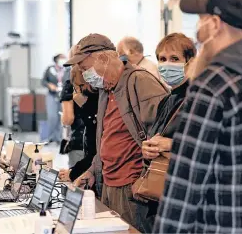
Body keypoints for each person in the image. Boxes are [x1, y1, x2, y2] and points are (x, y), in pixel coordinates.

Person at [154, 0, 242, 233]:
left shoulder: (213, 85)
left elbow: (185, 182)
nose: (198, 29)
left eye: (202, 19)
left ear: (215, 24)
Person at [65, 34, 168, 233]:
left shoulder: (139, 80)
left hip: (132, 189)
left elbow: (164, 131)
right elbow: (106, 139)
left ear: (103, 58)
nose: (85, 74)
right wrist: (93, 171)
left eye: (86, 68)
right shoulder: (106, 89)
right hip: (109, 184)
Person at [136, 33, 196, 231]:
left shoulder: (198, 97)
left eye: (174, 59)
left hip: (186, 195)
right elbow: (157, 135)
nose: (167, 64)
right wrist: (148, 149)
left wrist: (170, 145)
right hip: (163, 193)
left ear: (190, 62)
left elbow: (210, 145)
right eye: (162, 59)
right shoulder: (167, 99)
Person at [59, 64, 99, 184]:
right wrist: (73, 171)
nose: (76, 95)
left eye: (80, 87)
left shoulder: (97, 112)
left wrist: (73, 173)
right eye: (75, 89)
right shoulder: (89, 114)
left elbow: (95, 153)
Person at [59, 46, 85, 168]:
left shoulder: (70, 85)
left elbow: (68, 118)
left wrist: (62, 118)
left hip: (79, 141)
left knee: (77, 183)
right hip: (100, 143)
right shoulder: (99, 83)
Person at [42, 54, 67, 144]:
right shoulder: (50, 69)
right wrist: (49, 85)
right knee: (52, 117)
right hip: (52, 95)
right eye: (61, 58)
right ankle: (50, 137)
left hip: (63, 96)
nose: (63, 60)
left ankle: (59, 138)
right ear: (56, 59)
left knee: (62, 117)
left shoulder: (66, 69)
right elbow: (43, 81)